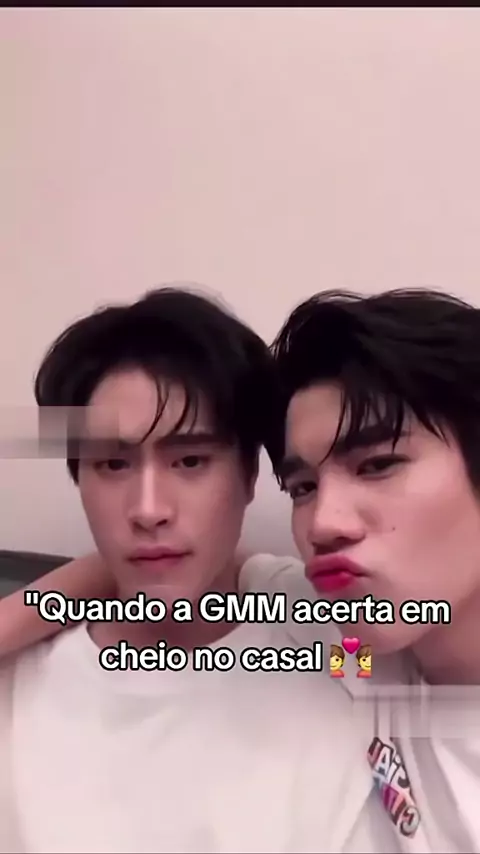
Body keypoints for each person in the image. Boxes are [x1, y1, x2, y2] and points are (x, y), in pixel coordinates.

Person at [7, 285, 480, 851]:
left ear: (247, 479)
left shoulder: (342, 634)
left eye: (378, 465)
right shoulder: (350, 632)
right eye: (303, 487)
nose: (324, 522)